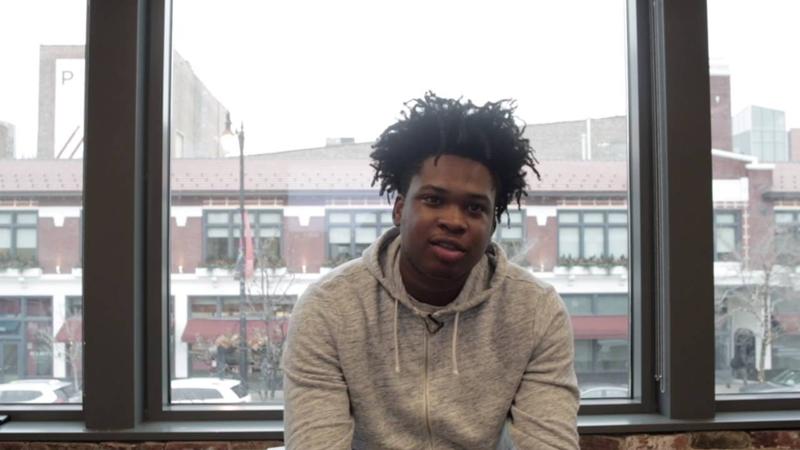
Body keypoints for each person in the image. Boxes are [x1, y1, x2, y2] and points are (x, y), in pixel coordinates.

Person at [283, 92, 579, 449]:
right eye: (434, 200)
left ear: (492, 225)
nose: (454, 221)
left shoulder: (535, 311)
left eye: (475, 208)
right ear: (399, 210)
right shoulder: (329, 307)